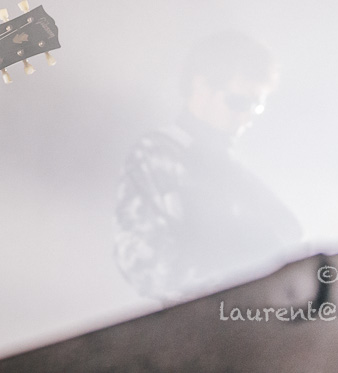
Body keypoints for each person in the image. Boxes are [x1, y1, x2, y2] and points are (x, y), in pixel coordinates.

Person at [113, 31, 302, 306]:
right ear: (200, 86)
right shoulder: (157, 153)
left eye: (257, 106)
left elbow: (290, 236)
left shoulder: (238, 172)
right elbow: (147, 266)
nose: (247, 116)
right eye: (239, 102)